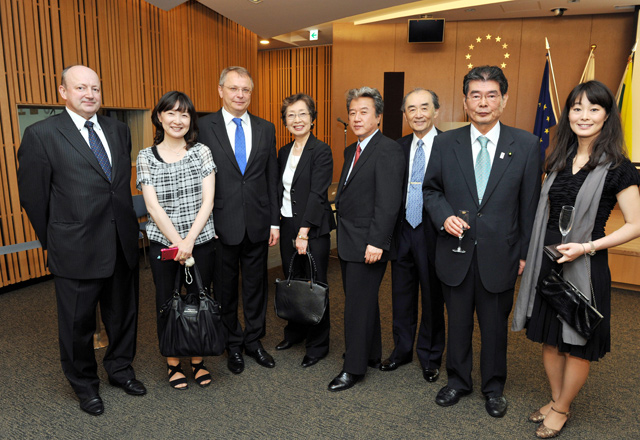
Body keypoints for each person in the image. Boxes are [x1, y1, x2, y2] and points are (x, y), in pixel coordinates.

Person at [513, 80, 640, 438]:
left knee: (577, 342)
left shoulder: (619, 167)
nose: (584, 116)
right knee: (551, 339)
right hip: (549, 260)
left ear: (606, 116)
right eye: (577, 108)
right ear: (567, 113)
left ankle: (562, 408)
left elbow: (636, 224)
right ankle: (555, 399)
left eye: (593, 109)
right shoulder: (558, 159)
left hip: (586, 263)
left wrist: (588, 247)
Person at [17, 65, 146, 416]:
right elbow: (33, 198)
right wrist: (56, 240)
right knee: (77, 324)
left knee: (123, 316)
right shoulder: (42, 135)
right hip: (74, 247)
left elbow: (116, 187)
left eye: (95, 88)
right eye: (80, 88)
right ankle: (85, 386)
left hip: (121, 242)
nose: (89, 94)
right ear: (63, 92)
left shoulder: (118, 131)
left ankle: (120, 369)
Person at [423, 65, 540, 417]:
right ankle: (457, 381)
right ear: (465, 101)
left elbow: (530, 207)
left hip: (500, 255)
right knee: (457, 322)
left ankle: (493, 387)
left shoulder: (527, 145)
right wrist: (444, 216)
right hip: (455, 252)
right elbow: (431, 190)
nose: (483, 102)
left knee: (493, 328)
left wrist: (523, 254)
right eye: (476, 95)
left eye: (491, 95)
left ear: (503, 100)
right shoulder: (444, 142)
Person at [198, 66, 279, 374]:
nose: (240, 95)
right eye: (233, 89)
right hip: (221, 224)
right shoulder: (204, 127)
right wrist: (205, 224)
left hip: (258, 223)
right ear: (221, 90)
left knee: (257, 287)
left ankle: (254, 340)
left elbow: (270, 177)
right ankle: (232, 343)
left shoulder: (265, 127)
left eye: (245, 90)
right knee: (226, 288)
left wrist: (274, 222)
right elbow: (198, 179)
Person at [136, 91, 217, 390]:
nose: (178, 120)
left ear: (191, 120)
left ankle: (198, 361)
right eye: (171, 113)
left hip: (201, 242)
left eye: (184, 114)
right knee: (167, 302)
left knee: (198, 298)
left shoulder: (202, 152)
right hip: (163, 244)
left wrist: (189, 241)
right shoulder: (146, 156)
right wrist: (178, 243)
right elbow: (153, 207)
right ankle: (173, 364)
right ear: (159, 117)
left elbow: (208, 201)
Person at [328, 87, 405, 392]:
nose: (357, 118)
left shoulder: (387, 149)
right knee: (363, 302)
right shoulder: (352, 149)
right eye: (352, 113)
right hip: (350, 239)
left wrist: (378, 241)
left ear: (378, 116)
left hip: (369, 243)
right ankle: (370, 354)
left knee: (356, 308)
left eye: (364, 112)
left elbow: (389, 202)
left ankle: (353, 368)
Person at [381, 88, 446, 383]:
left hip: (434, 231)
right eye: (411, 109)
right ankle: (401, 350)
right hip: (402, 229)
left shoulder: (449, 145)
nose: (417, 114)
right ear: (404, 114)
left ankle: (430, 356)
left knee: (433, 296)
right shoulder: (397, 146)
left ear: (435, 111)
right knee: (401, 295)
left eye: (424, 108)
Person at [274, 93, 335, 367]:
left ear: (312, 118)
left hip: (312, 228)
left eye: (302, 114)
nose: (297, 120)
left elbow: (316, 194)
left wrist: (303, 232)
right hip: (287, 222)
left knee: (315, 283)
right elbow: (281, 190)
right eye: (291, 115)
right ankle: (294, 332)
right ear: (285, 121)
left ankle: (318, 343)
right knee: (293, 280)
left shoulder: (321, 150)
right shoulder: (284, 152)